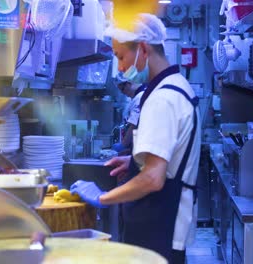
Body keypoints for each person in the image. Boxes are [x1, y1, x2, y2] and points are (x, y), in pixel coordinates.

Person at [70, 13, 201, 263]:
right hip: (166, 221)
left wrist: (102, 197)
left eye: (120, 57)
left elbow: (153, 178)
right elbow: (172, 154)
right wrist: (134, 162)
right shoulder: (177, 85)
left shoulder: (162, 99)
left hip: (158, 225)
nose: (119, 67)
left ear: (142, 48)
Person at [112, 80, 146, 154]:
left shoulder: (139, 97)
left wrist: (123, 145)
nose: (122, 92)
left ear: (128, 84)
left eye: (122, 89)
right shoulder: (137, 97)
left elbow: (134, 125)